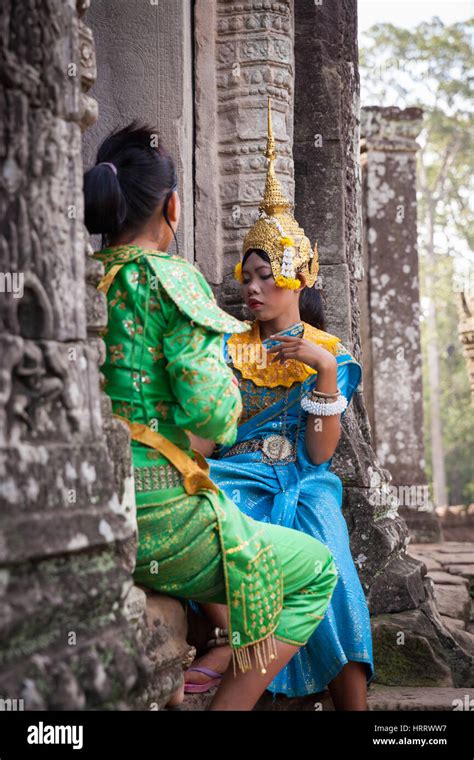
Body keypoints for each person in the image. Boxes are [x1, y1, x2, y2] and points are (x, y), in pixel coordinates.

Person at [83, 122, 339, 711]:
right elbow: (215, 419)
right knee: (318, 568)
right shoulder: (170, 281)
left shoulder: (85, 278)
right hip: (154, 508)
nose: (252, 288)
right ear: (172, 206)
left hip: (90, 496)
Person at [184, 99, 374, 710]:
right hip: (236, 471)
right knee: (219, 515)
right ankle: (239, 652)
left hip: (302, 478)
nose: (252, 288)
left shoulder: (329, 353)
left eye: (266, 275)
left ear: (297, 277)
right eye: (247, 275)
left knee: (328, 543)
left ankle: (353, 701)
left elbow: (320, 454)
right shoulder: (226, 346)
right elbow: (208, 440)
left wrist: (320, 372)